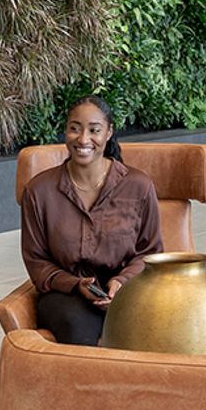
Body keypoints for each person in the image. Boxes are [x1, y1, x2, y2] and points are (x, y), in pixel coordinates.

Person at [19, 96, 163, 346]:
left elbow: (150, 253)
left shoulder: (138, 186)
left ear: (109, 133)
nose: (83, 139)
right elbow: (37, 262)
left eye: (94, 130)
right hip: (65, 294)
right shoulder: (39, 191)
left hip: (128, 290)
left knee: (151, 320)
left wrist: (121, 282)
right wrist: (76, 285)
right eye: (75, 128)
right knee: (78, 323)